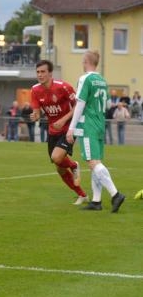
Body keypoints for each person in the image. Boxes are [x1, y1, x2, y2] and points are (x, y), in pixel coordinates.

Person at [66, 50, 125, 212]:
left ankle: (115, 194)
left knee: (92, 162)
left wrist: (71, 128)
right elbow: (106, 106)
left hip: (88, 126)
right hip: (100, 124)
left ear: (86, 61)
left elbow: (80, 105)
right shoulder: (102, 80)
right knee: (96, 162)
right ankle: (96, 201)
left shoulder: (85, 78)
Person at [30, 60, 88, 205]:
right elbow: (37, 112)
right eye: (38, 72)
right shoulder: (35, 90)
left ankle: (74, 165)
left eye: (43, 72)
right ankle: (82, 195)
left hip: (69, 128)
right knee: (60, 168)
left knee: (57, 157)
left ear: (50, 73)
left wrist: (64, 120)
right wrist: (35, 116)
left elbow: (79, 106)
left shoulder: (64, 87)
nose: (40, 75)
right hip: (53, 130)